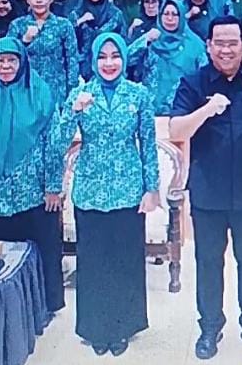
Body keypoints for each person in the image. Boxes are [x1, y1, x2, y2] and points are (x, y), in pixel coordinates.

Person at [169, 16, 242, 360]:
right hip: (208, 192)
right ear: (208, 46)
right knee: (208, 263)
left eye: (233, 43)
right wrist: (207, 109)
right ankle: (209, 328)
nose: (226, 49)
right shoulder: (193, 83)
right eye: (219, 43)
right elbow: (177, 130)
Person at [61, 32, 160, 356]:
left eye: (115, 56)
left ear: (124, 59)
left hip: (127, 191)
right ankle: (96, 328)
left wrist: (151, 189)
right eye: (102, 57)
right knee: (93, 263)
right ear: (93, 60)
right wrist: (73, 111)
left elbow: (148, 145)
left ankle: (123, 327)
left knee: (125, 261)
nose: (109, 63)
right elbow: (58, 142)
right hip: (90, 191)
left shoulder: (138, 94)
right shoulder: (80, 94)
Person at [0, 37, 66, 313]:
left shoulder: (41, 94)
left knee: (42, 251)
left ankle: (45, 306)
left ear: (22, 63)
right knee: (6, 252)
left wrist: (53, 187)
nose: (5, 66)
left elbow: (54, 144)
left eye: (11, 60)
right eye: (0, 60)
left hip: (35, 190)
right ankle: (11, 308)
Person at [127, 0, 208, 114]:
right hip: (149, 110)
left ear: (181, 17)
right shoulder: (151, 40)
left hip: (182, 110)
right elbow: (126, 60)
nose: (170, 18)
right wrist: (143, 40)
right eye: (166, 14)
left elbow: (205, 76)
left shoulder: (195, 44)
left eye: (175, 14)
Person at [7, 0, 80, 107]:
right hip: (24, 90)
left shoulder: (64, 25)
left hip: (56, 92)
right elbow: (7, 58)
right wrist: (24, 41)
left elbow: (72, 60)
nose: (39, 0)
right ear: (27, 0)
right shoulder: (17, 25)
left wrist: (72, 92)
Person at [72, 0, 126, 80]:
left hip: (110, 67)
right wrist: (80, 22)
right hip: (82, 70)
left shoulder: (115, 14)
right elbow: (68, 41)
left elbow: (123, 42)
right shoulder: (76, 14)